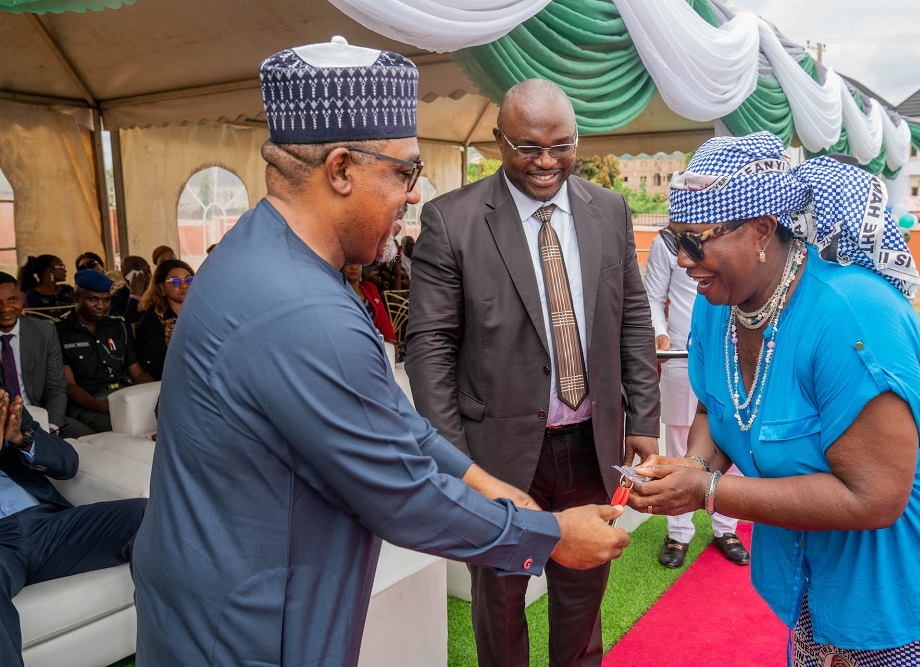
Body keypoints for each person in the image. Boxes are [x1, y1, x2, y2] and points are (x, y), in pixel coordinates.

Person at [131, 37, 629, 667]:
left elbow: (393, 422)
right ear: (340, 169)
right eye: (403, 171)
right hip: (250, 622)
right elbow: (402, 494)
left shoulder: (264, 254)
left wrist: (483, 481)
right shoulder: (303, 310)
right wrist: (552, 535)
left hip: (232, 593)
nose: (415, 194)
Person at [627, 131, 920, 665]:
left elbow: (873, 496)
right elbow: (717, 405)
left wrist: (707, 490)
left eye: (695, 240)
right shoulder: (717, 305)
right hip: (829, 536)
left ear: (760, 230)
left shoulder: (850, 315)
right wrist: (689, 469)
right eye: (672, 240)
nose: (683, 261)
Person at [406, 78, 660, 667]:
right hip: (495, 455)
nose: (547, 163)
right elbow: (430, 347)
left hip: (591, 447)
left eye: (560, 145)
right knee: (500, 601)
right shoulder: (452, 221)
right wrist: (455, 459)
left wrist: (642, 417)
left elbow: (633, 321)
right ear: (498, 141)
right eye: (527, 148)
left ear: (578, 138)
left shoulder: (611, 210)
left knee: (582, 600)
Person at [0, 392, 146, 667]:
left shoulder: (5, 406)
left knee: (147, 514)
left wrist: (22, 438)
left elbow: (68, 463)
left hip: (48, 526)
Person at [643, 231, 748, 568]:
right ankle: (678, 530)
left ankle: (726, 526)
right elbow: (653, 297)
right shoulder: (668, 242)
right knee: (678, 441)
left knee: (737, 436)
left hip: (733, 356)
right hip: (679, 355)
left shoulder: (736, 236)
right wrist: (659, 332)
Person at [55, 270, 154, 432]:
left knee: (160, 422)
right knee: (120, 430)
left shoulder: (119, 327)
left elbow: (137, 373)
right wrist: (104, 407)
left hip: (124, 396)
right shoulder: (59, 332)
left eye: (106, 300)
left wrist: (156, 397)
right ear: (75, 297)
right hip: (88, 403)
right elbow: (70, 386)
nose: (101, 306)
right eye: (93, 299)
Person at [0, 273, 94, 438]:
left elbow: (56, 387)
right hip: (2, 424)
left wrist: (51, 427)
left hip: (41, 416)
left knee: (91, 440)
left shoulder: (44, 332)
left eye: (12, 300)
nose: (5, 308)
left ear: (22, 298)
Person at [134, 259, 194, 381]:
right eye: (175, 281)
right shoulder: (151, 320)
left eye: (189, 280)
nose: (184, 285)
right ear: (162, 286)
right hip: (173, 380)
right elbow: (155, 364)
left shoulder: (204, 312)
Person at [343, 263, 395, 343]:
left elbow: (383, 320)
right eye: (348, 264)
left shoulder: (370, 288)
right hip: (351, 341)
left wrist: (391, 340)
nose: (353, 267)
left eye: (357, 263)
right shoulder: (338, 292)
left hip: (376, 340)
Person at [109, 255, 150, 324]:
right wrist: (134, 296)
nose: (148, 276)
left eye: (148, 271)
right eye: (141, 274)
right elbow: (124, 323)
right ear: (127, 278)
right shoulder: (116, 298)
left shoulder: (154, 293)